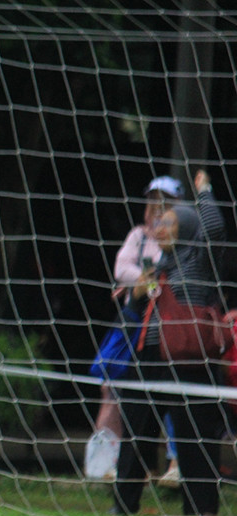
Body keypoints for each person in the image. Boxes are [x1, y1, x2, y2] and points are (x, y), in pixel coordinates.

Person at [111, 170, 227, 516]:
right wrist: (136, 295)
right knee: (136, 434)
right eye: (158, 222)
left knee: (195, 439)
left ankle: (201, 512)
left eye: (170, 222)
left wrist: (204, 190)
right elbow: (135, 312)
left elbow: (216, 227)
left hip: (190, 363)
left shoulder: (199, 260)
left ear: (188, 228)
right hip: (149, 359)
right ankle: (123, 507)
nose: (159, 227)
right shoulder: (158, 266)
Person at [88, 176, 183, 483]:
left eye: (164, 203)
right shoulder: (138, 236)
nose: (156, 210)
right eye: (152, 202)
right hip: (133, 322)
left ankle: (175, 464)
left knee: (172, 393)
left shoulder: (185, 241)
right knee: (112, 388)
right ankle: (106, 462)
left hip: (167, 327)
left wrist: (151, 280)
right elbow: (121, 269)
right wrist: (146, 280)